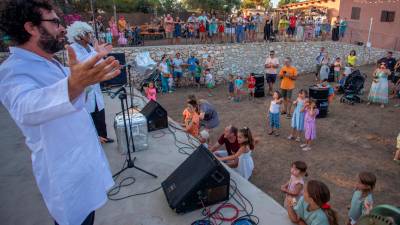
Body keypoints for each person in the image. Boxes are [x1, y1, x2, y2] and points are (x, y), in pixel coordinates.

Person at [0, 1, 121, 224]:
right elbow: (26, 108)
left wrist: (84, 75)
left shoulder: (51, 63)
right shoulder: (13, 71)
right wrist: (74, 84)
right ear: (32, 28)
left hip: (82, 162)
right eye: (55, 22)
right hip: (64, 170)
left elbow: (74, 92)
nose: (62, 28)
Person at [67, 21, 114, 144]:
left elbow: (98, 63)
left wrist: (99, 54)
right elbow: (84, 63)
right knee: (89, 115)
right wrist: (97, 54)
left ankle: (103, 136)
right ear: (79, 35)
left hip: (95, 87)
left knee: (99, 113)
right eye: (88, 33)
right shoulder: (73, 49)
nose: (91, 35)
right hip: (85, 88)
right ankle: (94, 140)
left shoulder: (90, 48)